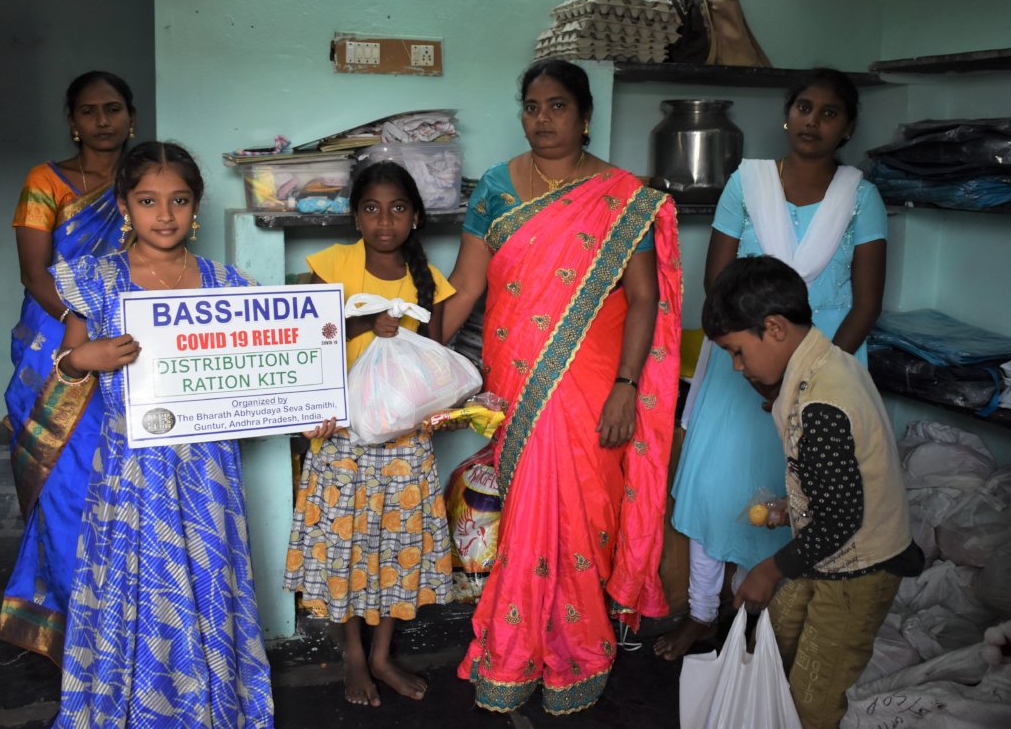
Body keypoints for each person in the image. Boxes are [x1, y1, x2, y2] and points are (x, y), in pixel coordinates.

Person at [443, 59, 682, 714]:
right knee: (527, 512)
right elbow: (465, 287)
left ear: (584, 115)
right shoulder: (495, 188)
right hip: (517, 376)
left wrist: (627, 386)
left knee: (583, 514)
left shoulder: (622, 195)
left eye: (557, 106)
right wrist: (409, 352)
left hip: (594, 385)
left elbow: (643, 297)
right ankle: (515, 653)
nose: (542, 119)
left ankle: (576, 650)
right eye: (532, 106)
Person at [656, 68, 888, 661]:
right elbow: (716, 283)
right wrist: (755, 362)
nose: (813, 121)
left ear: (848, 128)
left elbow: (866, 303)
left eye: (829, 113)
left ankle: (761, 620)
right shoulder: (748, 182)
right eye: (804, 108)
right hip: (740, 354)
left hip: (824, 362)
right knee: (716, 488)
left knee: (800, 498)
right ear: (787, 115)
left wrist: (806, 379)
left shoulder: (861, 197)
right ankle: (703, 612)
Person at [50, 142, 274, 726]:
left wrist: (310, 408)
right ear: (125, 206)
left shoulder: (227, 285)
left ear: (196, 206)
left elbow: (267, 373)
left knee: (205, 578)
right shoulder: (99, 280)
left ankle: (208, 706)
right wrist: (88, 357)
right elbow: (66, 363)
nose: (165, 214)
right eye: (148, 201)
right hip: (132, 469)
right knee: (139, 583)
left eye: (179, 200)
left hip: (208, 467)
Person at [707, 256, 922, 729]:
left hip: (860, 567)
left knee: (815, 694)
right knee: (775, 636)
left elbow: (842, 518)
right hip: (828, 548)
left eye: (737, 351)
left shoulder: (822, 404)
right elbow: (837, 486)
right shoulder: (829, 361)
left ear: (774, 328)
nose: (737, 366)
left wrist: (768, 569)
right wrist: (794, 508)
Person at [283, 161, 456, 707]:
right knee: (346, 547)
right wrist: (363, 323)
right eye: (372, 209)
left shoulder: (429, 280)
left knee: (395, 547)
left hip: (403, 441)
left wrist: (437, 412)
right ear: (355, 216)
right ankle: (354, 654)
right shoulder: (333, 264)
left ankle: (383, 655)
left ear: (416, 216)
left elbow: (436, 362)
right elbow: (306, 343)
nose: (385, 221)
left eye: (398, 208)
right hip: (341, 437)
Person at [0, 71, 137, 664]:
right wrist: (85, 324)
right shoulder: (45, 181)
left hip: (127, 344)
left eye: (113, 109)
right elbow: (35, 274)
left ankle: (121, 626)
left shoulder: (142, 180)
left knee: (117, 484)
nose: (102, 121)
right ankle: (65, 628)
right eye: (88, 111)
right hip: (58, 345)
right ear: (72, 120)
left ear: (131, 116)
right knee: (63, 484)